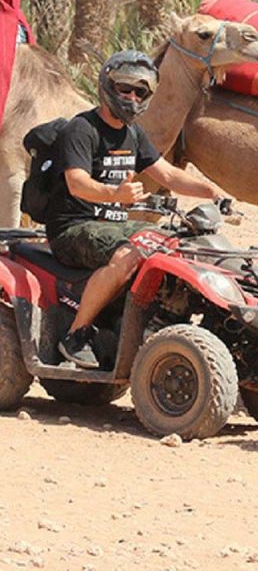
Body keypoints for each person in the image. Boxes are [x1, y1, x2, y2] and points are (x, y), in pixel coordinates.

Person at [46, 50, 228, 370]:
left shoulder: (133, 134)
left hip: (114, 225)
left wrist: (212, 192)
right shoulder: (81, 129)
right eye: (124, 89)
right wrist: (114, 193)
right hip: (74, 226)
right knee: (128, 254)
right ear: (107, 86)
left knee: (176, 244)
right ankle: (76, 336)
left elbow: (168, 175)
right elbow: (76, 183)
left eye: (140, 92)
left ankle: (157, 323)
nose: (131, 97)